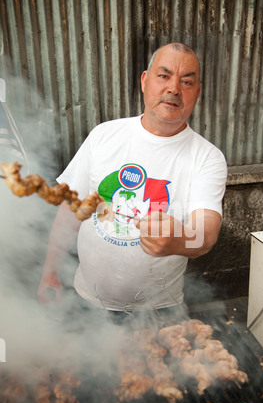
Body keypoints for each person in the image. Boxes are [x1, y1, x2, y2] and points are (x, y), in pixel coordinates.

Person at [37, 43, 227, 326]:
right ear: (144, 80)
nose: (174, 88)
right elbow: (69, 209)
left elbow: (205, 235)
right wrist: (50, 272)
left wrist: (178, 240)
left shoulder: (207, 157)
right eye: (163, 76)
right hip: (87, 302)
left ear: (197, 93)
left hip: (158, 313)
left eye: (186, 82)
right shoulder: (104, 135)